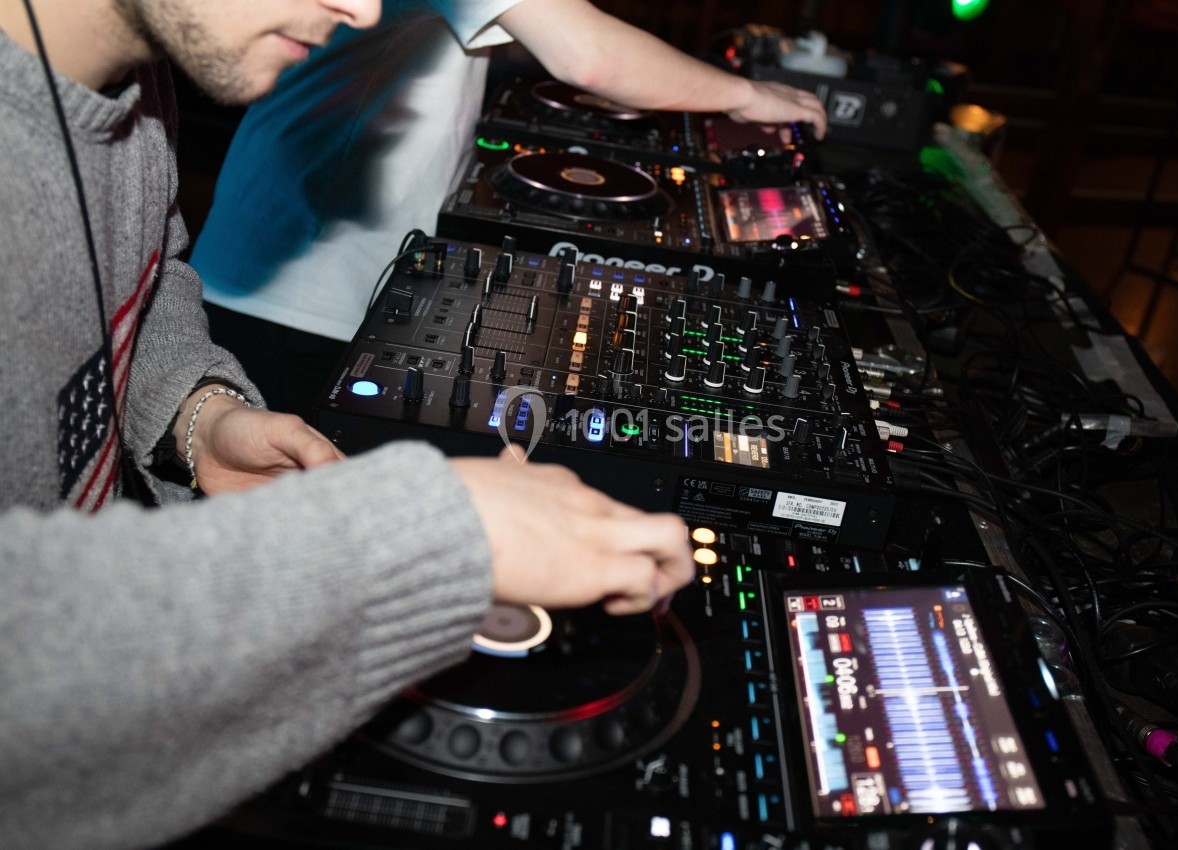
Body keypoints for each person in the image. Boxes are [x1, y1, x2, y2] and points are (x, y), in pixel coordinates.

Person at [0, 1, 692, 847]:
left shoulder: (133, 84)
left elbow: (145, 282)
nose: (366, 8)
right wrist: (426, 534)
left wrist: (196, 413)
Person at [191, 0, 829, 414]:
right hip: (291, 295)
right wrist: (743, 95)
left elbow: (505, 35)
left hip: (295, 266)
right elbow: (590, 58)